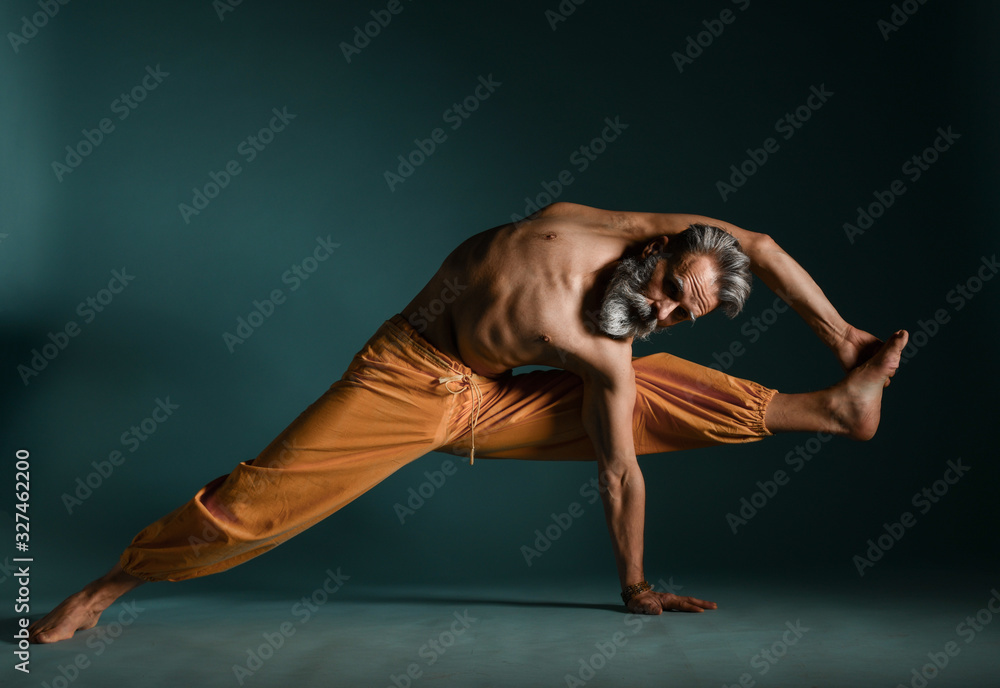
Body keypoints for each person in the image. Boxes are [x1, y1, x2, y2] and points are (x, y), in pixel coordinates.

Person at [29, 202, 908, 643]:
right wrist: (839, 331)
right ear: (653, 250)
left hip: (492, 399)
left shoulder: (611, 352)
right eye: (673, 293)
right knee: (262, 499)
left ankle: (836, 407)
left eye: (685, 315)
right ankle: (113, 585)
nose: (666, 314)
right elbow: (748, 240)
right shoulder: (595, 229)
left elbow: (618, 472)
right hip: (406, 379)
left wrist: (636, 587)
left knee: (652, 391)